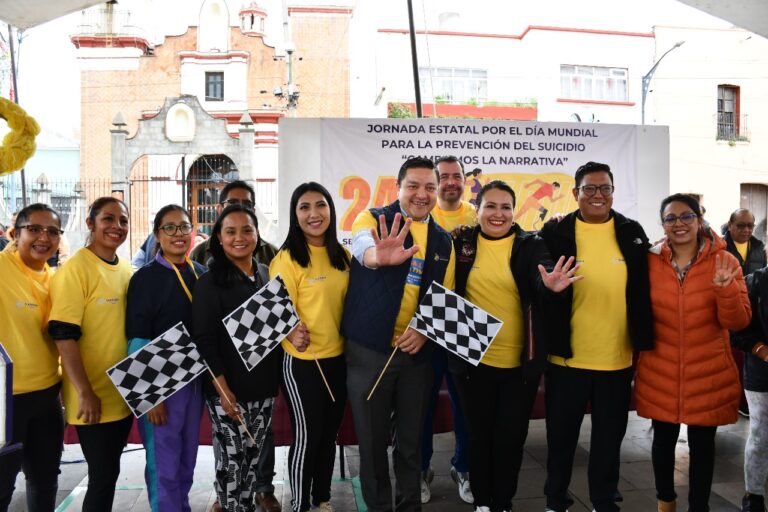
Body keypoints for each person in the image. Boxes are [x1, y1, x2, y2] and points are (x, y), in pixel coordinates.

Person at [452, 180, 579, 512]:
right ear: (477, 210)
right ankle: (482, 502)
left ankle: (503, 503)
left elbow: (543, 275)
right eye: (490, 206)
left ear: (514, 211)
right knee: (479, 438)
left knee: (510, 440)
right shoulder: (462, 243)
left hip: (519, 367)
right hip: (472, 363)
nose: (498, 214)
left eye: (505, 207)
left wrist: (551, 284)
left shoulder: (529, 244)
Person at [538, 161, 654, 512]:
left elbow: (652, 274)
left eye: (604, 188)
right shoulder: (554, 233)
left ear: (613, 192)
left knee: (608, 441)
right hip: (566, 359)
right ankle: (555, 499)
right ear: (575, 194)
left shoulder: (631, 232)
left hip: (616, 360)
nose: (597, 195)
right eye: (589, 188)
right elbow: (538, 284)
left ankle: (604, 500)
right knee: (561, 439)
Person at [342, 157, 455, 512]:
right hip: (368, 354)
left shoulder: (442, 240)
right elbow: (362, 248)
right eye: (414, 186)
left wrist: (424, 330)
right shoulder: (372, 218)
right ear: (398, 187)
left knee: (410, 445)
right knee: (373, 445)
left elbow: (444, 300)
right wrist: (377, 256)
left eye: (430, 188)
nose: (422, 195)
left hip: (415, 356)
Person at [636, 193, 751, 512]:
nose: (679, 224)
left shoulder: (725, 261)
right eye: (670, 218)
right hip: (660, 366)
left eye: (686, 216)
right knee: (662, 442)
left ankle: (699, 507)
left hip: (708, 369)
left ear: (700, 219)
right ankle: (665, 501)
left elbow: (739, 321)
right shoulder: (649, 261)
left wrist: (725, 290)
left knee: (702, 448)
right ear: (663, 224)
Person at [190, 180, 281, 512]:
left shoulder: (265, 275)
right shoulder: (209, 283)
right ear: (219, 237)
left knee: (254, 461)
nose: (239, 237)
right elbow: (204, 341)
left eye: (247, 230)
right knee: (231, 466)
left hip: (264, 388)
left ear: (257, 234)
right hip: (227, 392)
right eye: (230, 231)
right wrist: (223, 389)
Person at [49, 197, 134, 511]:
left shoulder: (125, 269)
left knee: (109, 473)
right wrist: (85, 391)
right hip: (92, 397)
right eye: (108, 219)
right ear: (90, 224)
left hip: (121, 394)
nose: (117, 227)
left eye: (123, 221)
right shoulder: (75, 270)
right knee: (102, 475)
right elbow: (63, 336)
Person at [269, 182, 350, 512]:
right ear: (295, 214)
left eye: (321, 205)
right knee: (307, 436)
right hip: (302, 364)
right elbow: (275, 314)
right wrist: (288, 334)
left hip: (339, 360)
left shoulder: (342, 256)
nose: (314, 214)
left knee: (329, 435)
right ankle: (301, 505)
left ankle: (322, 499)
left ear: (331, 210)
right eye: (304, 207)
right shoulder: (285, 259)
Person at [126, 205, 207, 512]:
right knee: (163, 463)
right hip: (162, 386)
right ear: (157, 234)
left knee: (187, 458)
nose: (178, 234)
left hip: (196, 381)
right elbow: (137, 340)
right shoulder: (144, 279)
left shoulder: (202, 274)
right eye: (169, 228)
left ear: (193, 230)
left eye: (184, 227)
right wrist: (151, 397)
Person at [420, 155, 476, 504]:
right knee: (420, 402)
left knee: (466, 403)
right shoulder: (422, 213)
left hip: (463, 321)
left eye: (457, 176)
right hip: (426, 319)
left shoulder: (478, 214)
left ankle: (464, 467)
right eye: (444, 177)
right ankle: (421, 469)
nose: (451, 182)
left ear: (465, 180)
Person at [0, 204, 64, 511]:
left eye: (52, 231)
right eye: (34, 229)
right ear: (15, 233)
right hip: (5, 401)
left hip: (48, 396)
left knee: (45, 479)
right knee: (2, 484)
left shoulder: (56, 280)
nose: (44, 237)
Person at [724, 209, 766, 418]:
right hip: (727, 313)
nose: (747, 229)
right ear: (730, 224)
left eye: (750, 225)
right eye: (741, 225)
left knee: (747, 360)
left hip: (750, 312)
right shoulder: (720, 248)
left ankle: (744, 403)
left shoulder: (759, 248)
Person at [732, 268, 768, 512]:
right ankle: (754, 498)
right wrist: (762, 350)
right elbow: (738, 329)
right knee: (761, 436)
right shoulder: (754, 282)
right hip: (762, 375)